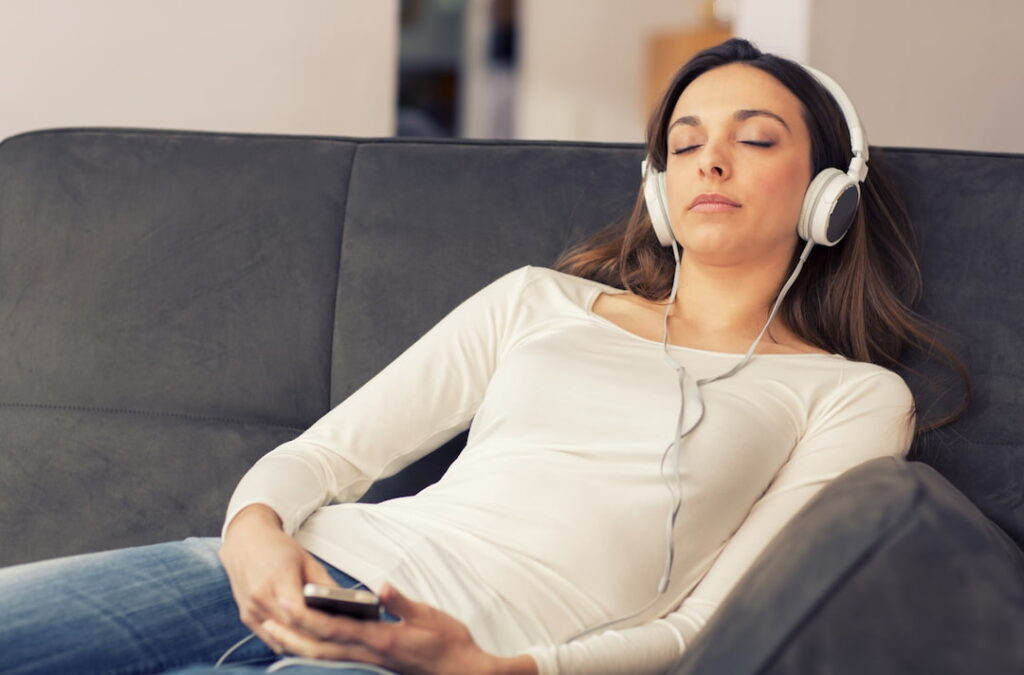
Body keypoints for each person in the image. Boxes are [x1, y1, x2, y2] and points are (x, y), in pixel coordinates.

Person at [0, 38, 967, 675]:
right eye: (685, 143)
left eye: (756, 140)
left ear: (825, 193)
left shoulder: (850, 397)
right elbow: (326, 457)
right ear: (660, 187)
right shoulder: (535, 301)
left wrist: (495, 669)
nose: (710, 161)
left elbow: (701, 624)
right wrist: (253, 531)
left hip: (453, 654)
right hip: (291, 562)